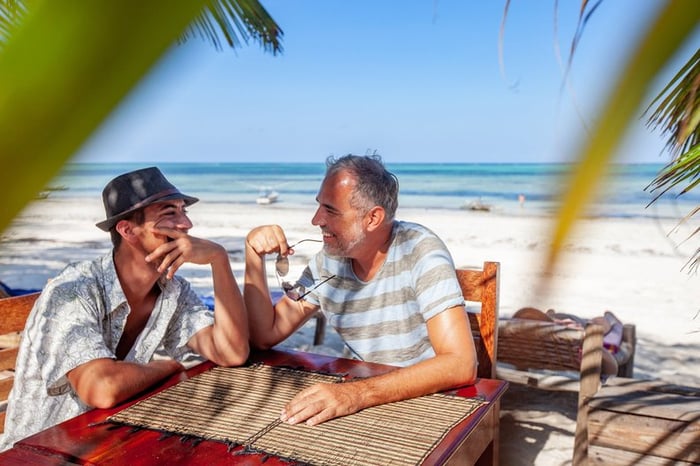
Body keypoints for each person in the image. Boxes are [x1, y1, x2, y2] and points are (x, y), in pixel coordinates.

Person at [0, 167, 249, 451]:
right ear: (127, 230)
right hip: (39, 452)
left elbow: (232, 352)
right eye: (170, 213)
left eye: (184, 211)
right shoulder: (73, 290)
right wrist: (168, 365)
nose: (186, 224)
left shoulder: (173, 290)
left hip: (108, 441)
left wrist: (219, 260)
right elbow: (102, 389)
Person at [244, 154, 478, 427]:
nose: (315, 219)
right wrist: (253, 255)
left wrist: (355, 394)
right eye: (319, 206)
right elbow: (264, 335)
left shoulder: (419, 251)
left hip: (429, 402)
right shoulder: (329, 260)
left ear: (373, 218)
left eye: (330, 210)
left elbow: (460, 364)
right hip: (370, 401)